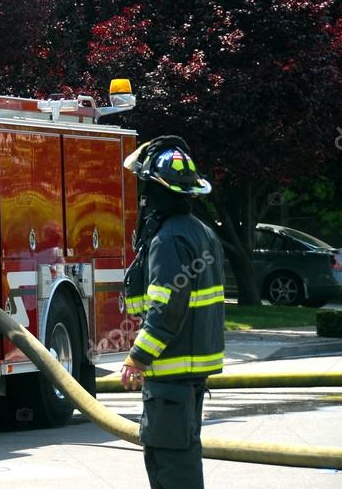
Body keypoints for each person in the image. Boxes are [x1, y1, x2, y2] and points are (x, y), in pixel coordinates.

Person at [120, 136, 226, 489]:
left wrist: (138, 357)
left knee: (170, 467)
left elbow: (167, 307)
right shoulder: (201, 232)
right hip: (189, 370)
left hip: (172, 369)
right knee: (180, 458)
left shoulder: (168, 239)